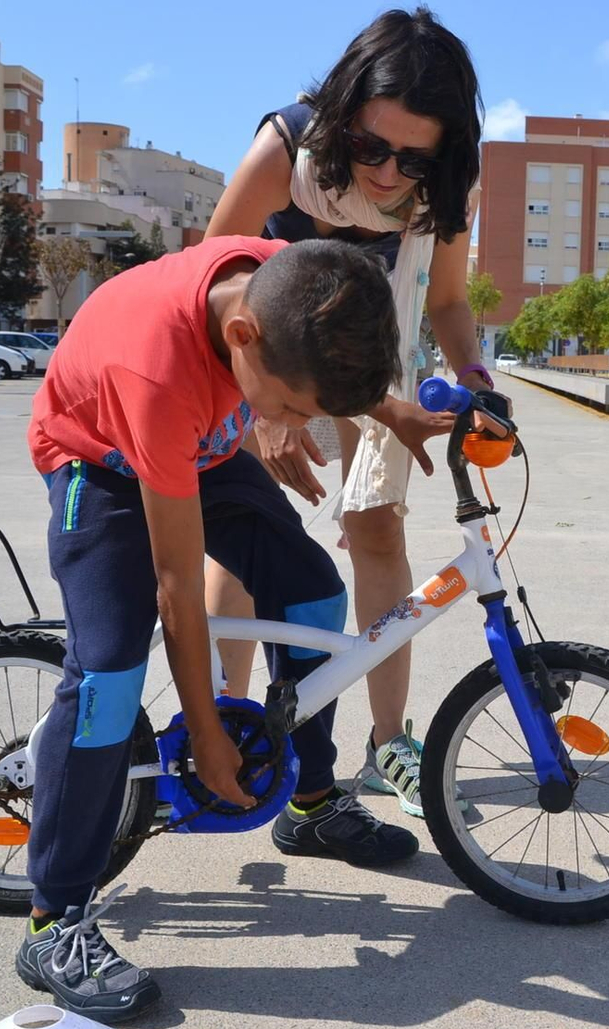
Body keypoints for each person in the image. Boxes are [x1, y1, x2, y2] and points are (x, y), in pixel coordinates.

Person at [18, 235, 410, 1021]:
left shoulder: (291, 282)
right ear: (242, 339)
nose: (296, 427)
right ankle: (52, 918)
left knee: (313, 595)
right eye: (295, 408)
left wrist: (399, 409)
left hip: (198, 450)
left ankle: (310, 802)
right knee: (108, 673)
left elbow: (319, 362)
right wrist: (204, 728)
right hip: (102, 463)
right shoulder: (155, 371)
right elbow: (175, 586)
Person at [203, 7, 490, 821]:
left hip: (372, 362)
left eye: (414, 155)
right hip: (249, 353)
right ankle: (225, 721)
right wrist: (262, 412)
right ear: (340, 120)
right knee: (247, 533)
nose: (390, 173)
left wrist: (479, 380)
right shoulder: (286, 149)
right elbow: (205, 275)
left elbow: (449, 300)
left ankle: (387, 740)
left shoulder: (443, 191)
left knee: (377, 529)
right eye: (370, 147)